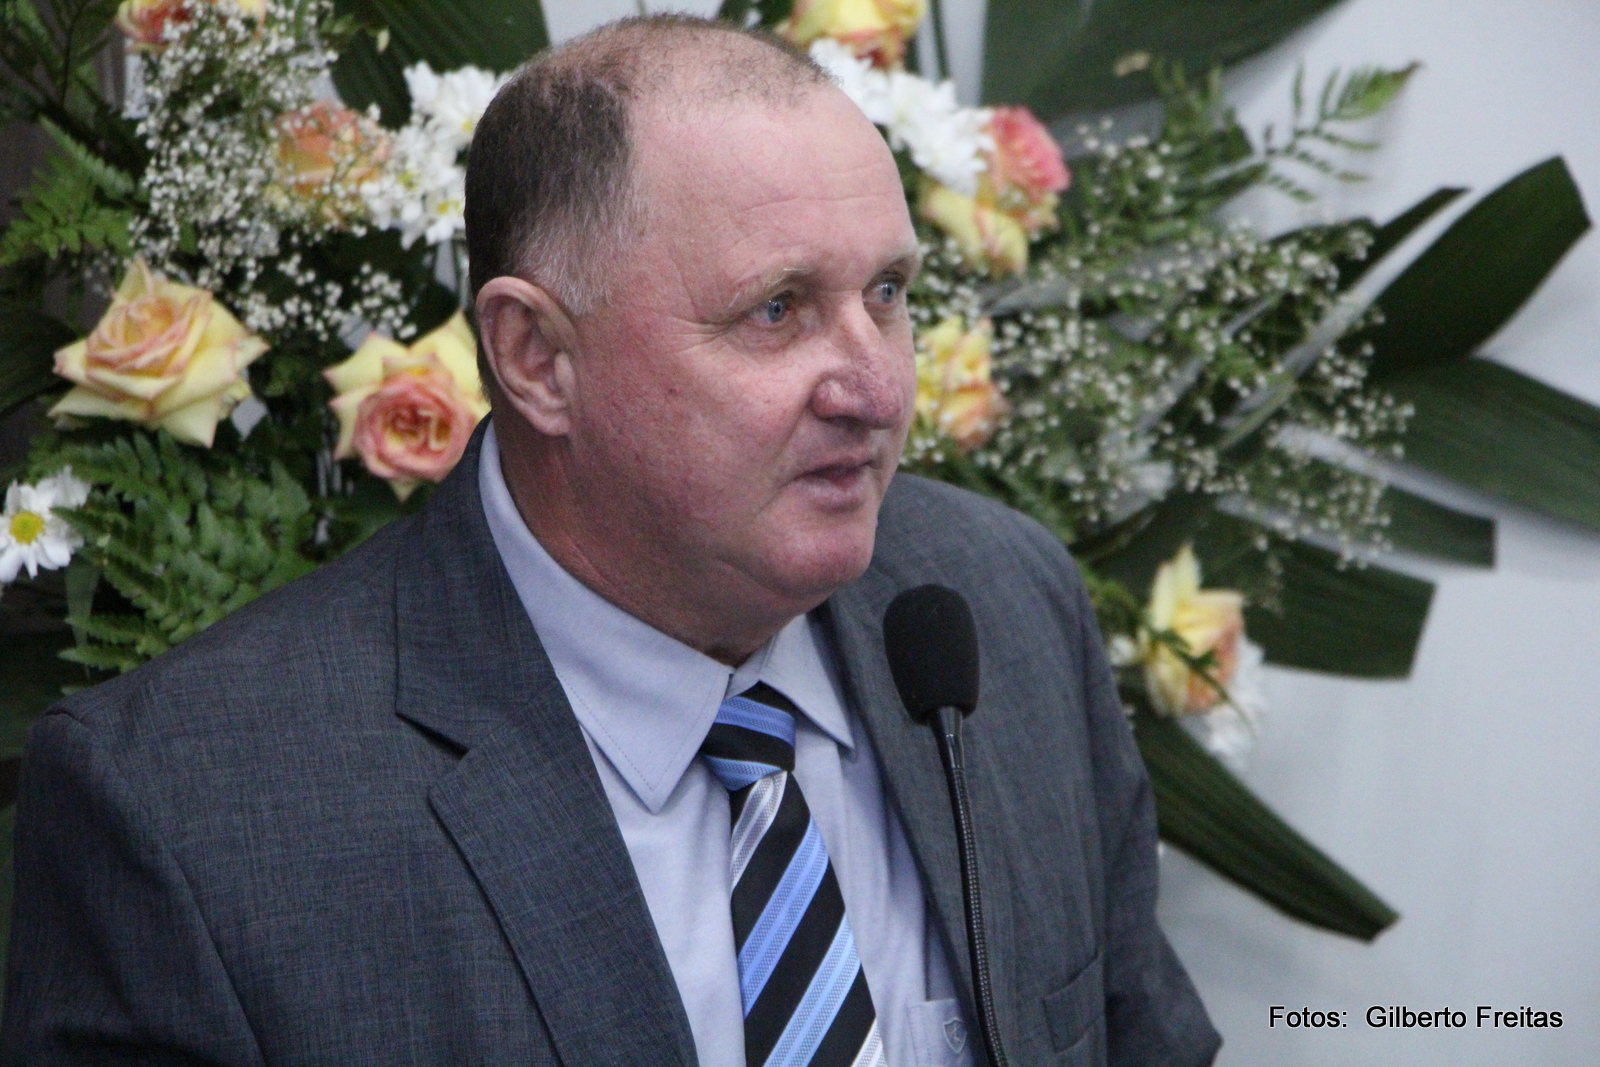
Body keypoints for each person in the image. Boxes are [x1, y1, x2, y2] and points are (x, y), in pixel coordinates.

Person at [2, 15, 1220, 1067]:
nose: (874, 387)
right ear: (537, 356)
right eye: (778, 309)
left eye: (888, 294)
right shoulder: (191, 810)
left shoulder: (998, 606)